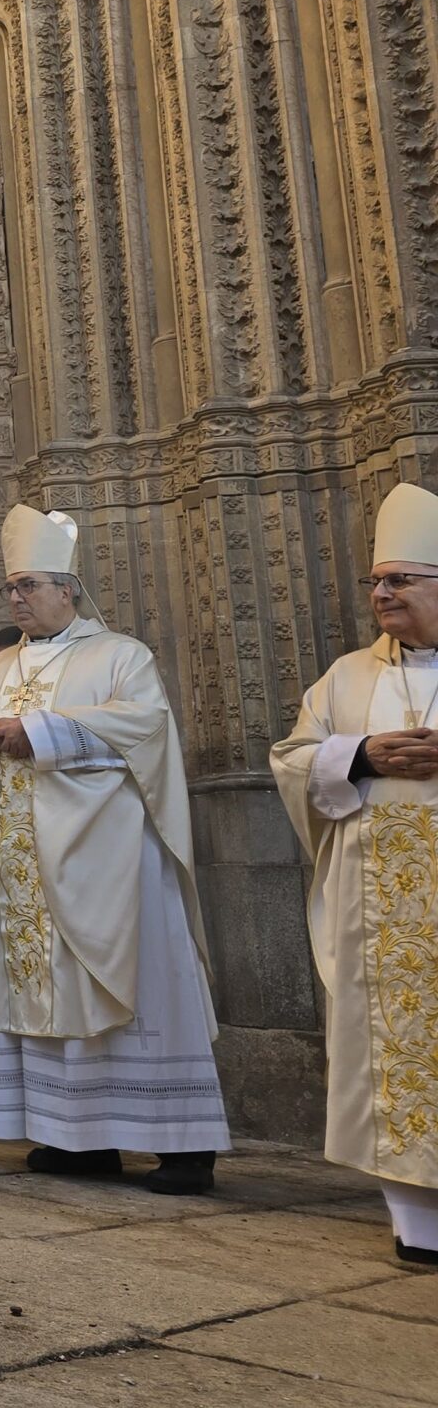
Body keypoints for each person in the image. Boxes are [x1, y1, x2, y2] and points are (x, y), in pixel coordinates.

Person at [0, 506, 228, 1194]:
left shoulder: (120, 656)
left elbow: (145, 728)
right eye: (9, 587)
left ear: (68, 588)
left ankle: (182, 1147)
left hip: (110, 865)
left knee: (139, 985)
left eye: (29, 585)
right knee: (40, 991)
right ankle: (75, 1140)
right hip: (21, 872)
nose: (16, 598)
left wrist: (40, 732)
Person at [270, 481, 438, 1263]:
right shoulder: (345, 678)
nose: (380, 594)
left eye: (399, 580)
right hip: (382, 919)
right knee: (393, 1051)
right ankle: (416, 1224)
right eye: (376, 581)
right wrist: (364, 753)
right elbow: (294, 759)